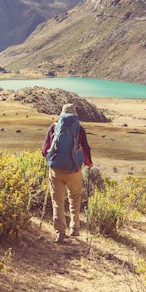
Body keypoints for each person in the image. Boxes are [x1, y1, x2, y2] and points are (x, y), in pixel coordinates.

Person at [41, 103, 93, 243]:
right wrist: (88, 163)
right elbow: (86, 149)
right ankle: (74, 228)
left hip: (56, 170)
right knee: (75, 197)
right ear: (75, 114)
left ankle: (60, 232)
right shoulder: (79, 129)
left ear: (62, 113)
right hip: (74, 170)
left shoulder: (54, 127)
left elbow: (44, 150)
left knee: (57, 200)